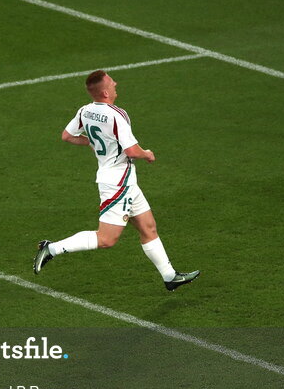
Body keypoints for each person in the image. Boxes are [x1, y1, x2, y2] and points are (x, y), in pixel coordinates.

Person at [33, 70, 200, 292]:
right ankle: (51, 248)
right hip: (118, 183)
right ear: (104, 92)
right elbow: (131, 150)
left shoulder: (85, 111)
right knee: (106, 239)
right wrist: (147, 154)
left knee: (148, 227)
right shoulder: (116, 115)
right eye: (112, 83)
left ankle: (170, 276)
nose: (115, 84)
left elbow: (67, 135)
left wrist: (93, 142)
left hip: (122, 181)